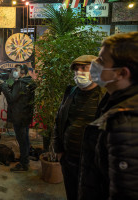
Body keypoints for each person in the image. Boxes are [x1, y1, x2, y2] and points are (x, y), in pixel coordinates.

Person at [78, 32, 138, 200]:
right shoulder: (113, 102)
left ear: (121, 73)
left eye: (101, 61)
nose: (94, 64)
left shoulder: (127, 122)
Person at [53, 55, 105, 200]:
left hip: (94, 166)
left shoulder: (107, 96)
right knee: (72, 194)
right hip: (70, 160)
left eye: (84, 68)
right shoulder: (70, 93)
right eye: (76, 69)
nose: (79, 73)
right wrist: (59, 150)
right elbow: (59, 121)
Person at [0, 64, 36, 171]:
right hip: (25, 116)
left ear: (23, 72)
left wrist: (4, 86)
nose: (14, 72)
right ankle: (25, 159)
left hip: (19, 116)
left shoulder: (20, 84)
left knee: (22, 140)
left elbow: (11, 98)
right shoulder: (29, 82)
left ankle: (24, 163)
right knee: (25, 138)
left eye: (17, 70)